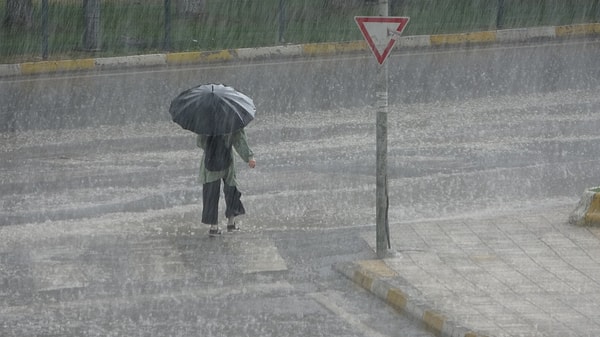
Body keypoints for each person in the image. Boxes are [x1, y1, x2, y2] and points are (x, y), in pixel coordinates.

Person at [197, 128, 256, 236]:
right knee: (231, 190)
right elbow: (239, 140)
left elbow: (200, 143)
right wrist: (249, 157)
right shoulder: (232, 119)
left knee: (211, 193)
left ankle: (213, 226)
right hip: (227, 159)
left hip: (210, 161)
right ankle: (231, 223)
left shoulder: (205, 120)